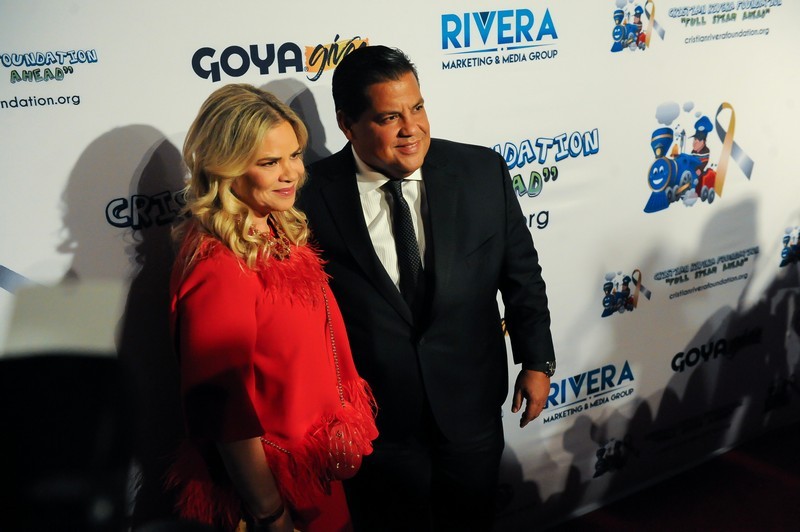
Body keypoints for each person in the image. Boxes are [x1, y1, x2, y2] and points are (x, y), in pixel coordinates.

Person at [298, 46, 557, 531]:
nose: (412, 128)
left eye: (417, 108)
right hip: (375, 425)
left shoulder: (481, 172)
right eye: (389, 117)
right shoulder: (307, 198)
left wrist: (537, 360)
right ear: (347, 124)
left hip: (471, 408)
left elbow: (521, 274)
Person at [166, 83, 378, 532]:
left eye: (294, 155)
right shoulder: (220, 267)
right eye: (269, 162)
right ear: (225, 168)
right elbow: (225, 409)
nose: (291, 173)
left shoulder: (278, 229)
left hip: (314, 471)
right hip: (276, 491)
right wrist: (269, 512)